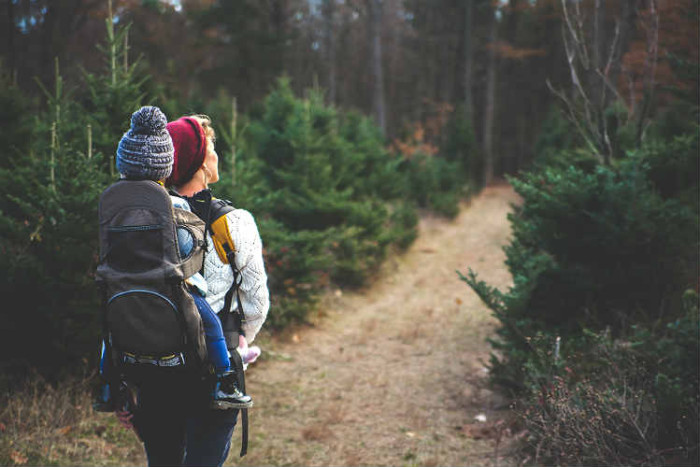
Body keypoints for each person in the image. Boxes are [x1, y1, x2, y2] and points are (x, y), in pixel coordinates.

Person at [119, 111, 270, 466]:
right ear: (201, 161)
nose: (217, 152)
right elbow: (257, 303)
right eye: (212, 145)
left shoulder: (143, 221)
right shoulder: (234, 222)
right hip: (212, 375)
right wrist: (240, 340)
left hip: (155, 369)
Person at [94, 106, 252, 413]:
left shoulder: (112, 200)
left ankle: (106, 385)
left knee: (109, 329)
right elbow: (184, 244)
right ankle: (225, 381)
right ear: (165, 167)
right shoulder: (170, 203)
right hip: (166, 280)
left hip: (119, 281)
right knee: (208, 319)